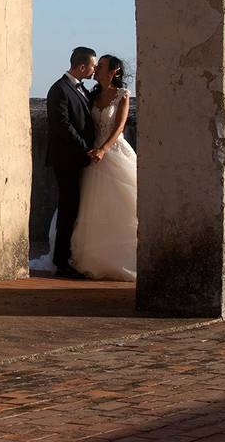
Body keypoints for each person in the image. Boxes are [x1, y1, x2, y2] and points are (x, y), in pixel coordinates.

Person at [69, 55, 138, 281]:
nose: (96, 70)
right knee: (91, 205)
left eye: (101, 67)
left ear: (114, 71)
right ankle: (92, 257)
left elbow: (119, 127)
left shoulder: (122, 95)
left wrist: (104, 149)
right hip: (92, 154)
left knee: (120, 206)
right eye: (95, 66)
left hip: (112, 151)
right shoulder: (93, 95)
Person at [45, 47, 97, 278]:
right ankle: (61, 261)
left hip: (77, 159)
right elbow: (62, 125)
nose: (94, 69)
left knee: (73, 208)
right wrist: (84, 148)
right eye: (92, 66)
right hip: (66, 159)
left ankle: (65, 257)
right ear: (82, 66)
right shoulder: (59, 89)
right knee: (68, 209)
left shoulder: (80, 89)